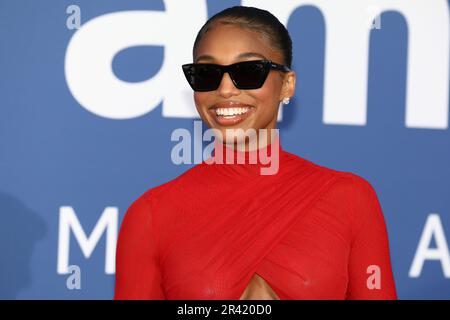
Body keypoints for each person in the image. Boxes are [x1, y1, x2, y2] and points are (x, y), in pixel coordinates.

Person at [114, 5, 397, 300]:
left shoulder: (349, 198)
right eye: (207, 73)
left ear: (287, 85)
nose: (225, 90)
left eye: (248, 72)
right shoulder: (151, 215)